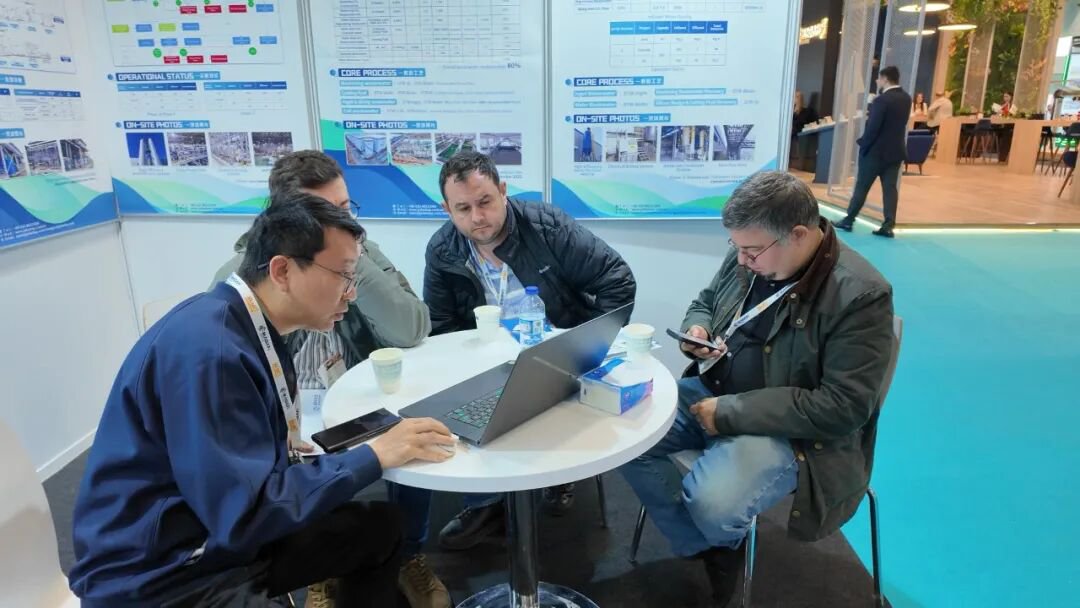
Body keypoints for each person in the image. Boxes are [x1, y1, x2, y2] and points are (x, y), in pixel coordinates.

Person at [69, 196, 457, 608]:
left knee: (381, 529)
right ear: (282, 270)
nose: (352, 292)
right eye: (344, 275)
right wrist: (373, 457)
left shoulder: (240, 324)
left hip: (215, 531)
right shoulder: (213, 352)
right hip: (164, 573)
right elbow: (244, 515)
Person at [620, 171, 894, 607]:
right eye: (737, 248)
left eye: (751, 251)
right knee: (624, 436)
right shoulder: (752, 252)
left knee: (713, 502)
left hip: (793, 433)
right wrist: (699, 328)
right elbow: (707, 300)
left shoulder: (860, 294)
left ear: (799, 234)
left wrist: (730, 413)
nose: (743, 260)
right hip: (712, 388)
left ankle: (714, 534)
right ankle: (710, 546)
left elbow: (844, 406)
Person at [210, 151, 447, 608]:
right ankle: (323, 573)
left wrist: (352, 262)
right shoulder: (239, 289)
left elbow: (412, 327)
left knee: (411, 432)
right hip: (291, 418)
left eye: (345, 207)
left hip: (355, 395)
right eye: (324, 213)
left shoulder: (359, 252)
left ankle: (408, 556)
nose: (344, 221)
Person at [424, 150, 636, 549]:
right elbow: (441, 325)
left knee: (545, 404)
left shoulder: (547, 227)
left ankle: (555, 476)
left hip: (555, 356)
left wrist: (586, 348)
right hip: (485, 363)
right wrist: (462, 368)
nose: (478, 217)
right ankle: (487, 503)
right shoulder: (443, 249)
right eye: (463, 208)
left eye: (485, 201)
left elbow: (617, 280)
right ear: (446, 209)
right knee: (458, 408)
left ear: (503, 191)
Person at [833, 65, 912, 238]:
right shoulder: (906, 98)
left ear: (885, 79)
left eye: (879, 78)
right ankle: (888, 225)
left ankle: (849, 220)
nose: (877, 81)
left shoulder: (881, 100)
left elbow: (873, 127)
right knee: (890, 189)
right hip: (895, 152)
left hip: (875, 152)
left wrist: (863, 144)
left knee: (862, 186)